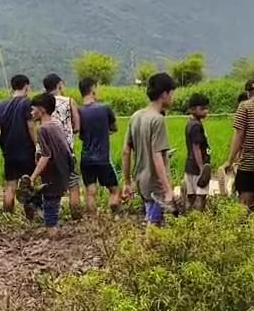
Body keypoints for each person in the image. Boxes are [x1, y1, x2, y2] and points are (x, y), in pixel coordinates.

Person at [122, 72, 177, 226]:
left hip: (140, 179)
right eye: (172, 93)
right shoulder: (157, 120)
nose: (173, 97)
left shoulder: (136, 116)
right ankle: (147, 248)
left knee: (152, 218)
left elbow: (126, 151)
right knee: (153, 225)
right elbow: (156, 155)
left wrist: (127, 182)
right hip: (155, 182)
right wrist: (167, 189)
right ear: (164, 94)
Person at [27, 93, 73, 237]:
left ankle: (53, 234)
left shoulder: (42, 129)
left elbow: (46, 155)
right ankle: (52, 228)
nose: (31, 112)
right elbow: (67, 150)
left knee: (50, 209)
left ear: (42, 110)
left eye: (33, 109)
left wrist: (33, 177)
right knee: (50, 204)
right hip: (61, 173)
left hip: (53, 174)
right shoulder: (56, 125)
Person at [0, 75, 37, 215]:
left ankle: (7, 216)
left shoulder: (1, 105)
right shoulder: (27, 103)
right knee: (27, 184)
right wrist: (37, 146)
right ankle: (29, 217)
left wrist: (2, 142)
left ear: (12, 87)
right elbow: (30, 126)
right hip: (26, 151)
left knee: (10, 184)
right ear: (27, 86)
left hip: (9, 151)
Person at [224, 79, 254, 209]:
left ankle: (243, 227)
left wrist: (230, 160)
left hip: (249, 163)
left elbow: (239, 134)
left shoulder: (245, 106)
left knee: (245, 202)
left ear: (248, 93)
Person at [78, 77, 120, 215]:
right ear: (92, 89)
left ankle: (93, 223)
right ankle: (113, 216)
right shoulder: (105, 108)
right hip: (102, 158)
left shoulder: (79, 111)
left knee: (90, 193)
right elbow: (114, 128)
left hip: (86, 158)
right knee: (114, 190)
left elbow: (81, 134)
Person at [43, 73, 82, 218]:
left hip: (46, 153)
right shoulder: (69, 101)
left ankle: (51, 218)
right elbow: (77, 127)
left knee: (50, 186)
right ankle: (76, 217)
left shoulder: (42, 102)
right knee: (73, 185)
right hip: (66, 151)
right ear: (59, 85)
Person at [183, 93, 211, 212]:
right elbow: (196, 147)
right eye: (202, 108)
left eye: (206, 108)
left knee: (191, 196)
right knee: (201, 196)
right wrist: (201, 169)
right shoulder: (196, 126)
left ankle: (188, 219)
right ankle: (199, 220)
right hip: (198, 167)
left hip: (189, 166)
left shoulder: (190, 123)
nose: (206, 111)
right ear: (192, 109)